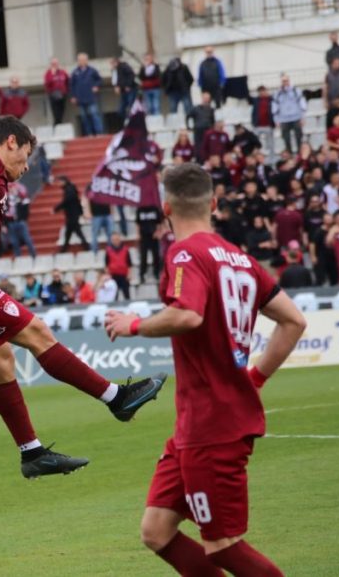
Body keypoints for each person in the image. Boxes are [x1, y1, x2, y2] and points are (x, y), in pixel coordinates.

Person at [0, 116, 167, 478]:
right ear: (11, 142)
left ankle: (32, 453)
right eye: (26, 154)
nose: (26, 165)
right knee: (37, 332)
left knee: (1, 362)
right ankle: (117, 398)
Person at [104, 162, 306, 577]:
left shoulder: (184, 253)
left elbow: (188, 315)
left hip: (211, 425)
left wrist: (134, 325)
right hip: (197, 423)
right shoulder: (239, 258)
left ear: (165, 208)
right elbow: (294, 321)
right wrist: (255, 378)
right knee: (156, 530)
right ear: (214, 203)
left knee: (223, 546)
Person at [70, 53, 104, 136]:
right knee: (84, 118)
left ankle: (99, 132)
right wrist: (73, 96)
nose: (81, 61)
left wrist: (96, 86)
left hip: (91, 98)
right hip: (80, 99)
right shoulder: (75, 72)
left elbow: (99, 80)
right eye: (79, 60)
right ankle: (89, 133)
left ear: (86, 60)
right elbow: (71, 85)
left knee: (94, 115)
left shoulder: (92, 70)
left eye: (83, 60)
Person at [272, 74, 306, 155]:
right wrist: (276, 120)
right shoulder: (277, 93)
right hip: (284, 119)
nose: (285, 83)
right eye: (283, 81)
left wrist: (303, 117)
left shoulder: (296, 90)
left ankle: (300, 155)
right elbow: (275, 107)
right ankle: (289, 155)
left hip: (296, 118)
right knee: (286, 139)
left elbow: (302, 104)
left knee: (299, 138)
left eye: (286, 81)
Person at [54, 176, 88, 252]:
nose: (58, 184)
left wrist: (56, 209)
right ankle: (65, 249)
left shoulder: (69, 189)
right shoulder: (69, 189)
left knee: (74, 232)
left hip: (73, 215)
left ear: (64, 181)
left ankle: (86, 247)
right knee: (71, 233)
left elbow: (67, 201)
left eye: (59, 182)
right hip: (72, 214)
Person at [5, 181, 36, 257]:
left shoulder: (21, 197)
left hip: (20, 221)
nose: (11, 189)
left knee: (27, 239)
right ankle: (18, 258)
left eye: (12, 188)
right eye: (10, 188)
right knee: (14, 242)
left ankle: (33, 256)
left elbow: (26, 208)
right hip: (11, 222)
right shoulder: (6, 200)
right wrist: (5, 224)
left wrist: (23, 218)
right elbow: (4, 212)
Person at [136, 204, 162, 284]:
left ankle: (156, 273)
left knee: (156, 255)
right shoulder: (140, 209)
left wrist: (157, 232)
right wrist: (138, 234)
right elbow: (137, 223)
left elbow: (159, 222)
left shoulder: (155, 208)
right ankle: (142, 275)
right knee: (143, 256)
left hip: (154, 236)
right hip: (144, 236)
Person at [186, 91, 215, 160]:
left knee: (208, 145)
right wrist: (188, 127)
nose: (206, 99)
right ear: (202, 98)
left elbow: (213, 120)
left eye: (207, 98)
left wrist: (212, 128)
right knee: (198, 146)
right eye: (205, 97)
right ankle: (198, 159)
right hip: (198, 130)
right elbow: (188, 116)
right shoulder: (196, 108)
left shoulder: (211, 109)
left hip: (208, 130)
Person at [104, 232, 133, 300]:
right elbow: (106, 264)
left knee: (127, 295)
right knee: (114, 296)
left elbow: (129, 263)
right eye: (113, 239)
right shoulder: (108, 250)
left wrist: (129, 274)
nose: (115, 241)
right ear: (111, 240)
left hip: (124, 275)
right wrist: (108, 275)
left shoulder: (126, 249)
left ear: (119, 239)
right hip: (113, 276)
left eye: (117, 239)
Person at [44, 57, 70, 125]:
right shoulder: (48, 73)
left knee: (62, 111)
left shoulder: (62, 72)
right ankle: (57, 124)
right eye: (53, 64)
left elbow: (68, 81)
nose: (55, 65)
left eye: (56, 63)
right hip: (53, 95)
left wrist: (66, 90)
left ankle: (60, 124)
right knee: (56, 113)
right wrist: (52, 74)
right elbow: (47, 84)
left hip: (62, 95)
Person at [111, 56, 137, 121]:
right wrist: (117, 86)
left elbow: (131, 75)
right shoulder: (115, 70)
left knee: (130, 106)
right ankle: (127, 119)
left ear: (116, 62)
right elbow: (117, 80)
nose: (111, 65)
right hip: (123, 91)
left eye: (112, 63)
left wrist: (128, 85)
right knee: (122, 109)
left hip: (130, 89)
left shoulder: (124, 66)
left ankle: (131, 120)